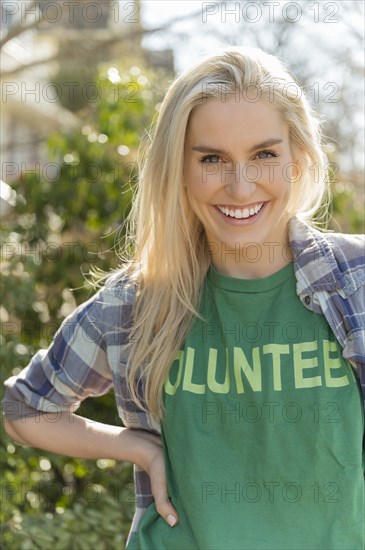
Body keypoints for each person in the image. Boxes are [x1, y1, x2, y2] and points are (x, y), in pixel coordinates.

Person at [3, 46, 365, 550]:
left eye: (264, 155)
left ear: (298, 159)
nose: (241, 187)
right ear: (180, 169)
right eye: (212, 159)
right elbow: (24, 408)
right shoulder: (135, 302)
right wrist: (138, 447)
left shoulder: (356, 280)